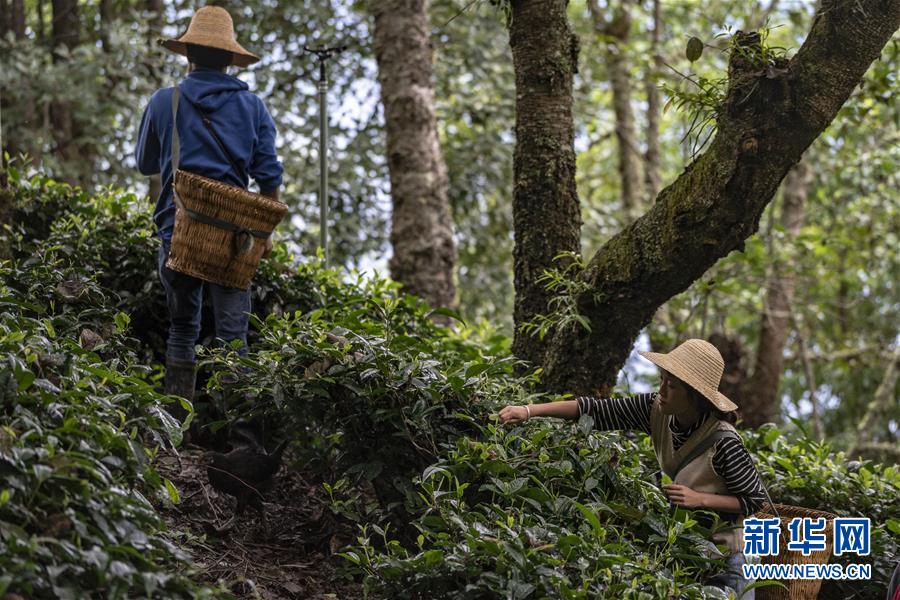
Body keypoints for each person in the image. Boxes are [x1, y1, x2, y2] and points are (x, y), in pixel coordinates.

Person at [498, 338, 765, 599]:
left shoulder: (724, 443)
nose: (661, 391)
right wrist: (529, 410)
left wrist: (701, 499)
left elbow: (755, 501)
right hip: (693, 550)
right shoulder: (655, 409)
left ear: (695, 397)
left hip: (732, 557)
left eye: (671, 386)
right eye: (662, 380)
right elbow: (596, 410)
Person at [134, 6, 284, 406]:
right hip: (235, 237)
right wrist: (265, 233)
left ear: (188, 55)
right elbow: (269, 175)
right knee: (234, 336)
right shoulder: (253, 107)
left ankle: (176, 428)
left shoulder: (165, 101)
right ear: (231, 60)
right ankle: (239, 438)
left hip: (177, 229)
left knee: (183, 327)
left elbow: (145, 164)